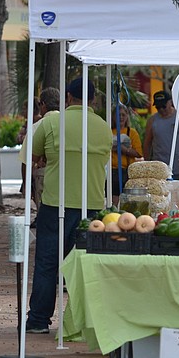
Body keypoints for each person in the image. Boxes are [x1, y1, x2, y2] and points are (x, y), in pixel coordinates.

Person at [25, 79, 112, 335]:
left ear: (68, 97)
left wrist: (45, 160)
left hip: (55, 202)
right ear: (93, 100)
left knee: (47, 263)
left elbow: (33, 154)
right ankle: (85, 320)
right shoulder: (104, 127)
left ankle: (39, 319)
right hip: (93, 205)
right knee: (87, 266)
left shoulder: (52, 122)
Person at [143, 89, 179, 180]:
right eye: (158, 107)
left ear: (170, 102)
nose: (161, 109)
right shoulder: (152, 120)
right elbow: (147, 144)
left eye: (164, 106)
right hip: (160, 169)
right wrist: (148, 164)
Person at [110, 103, 143, 203]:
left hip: (127, 171)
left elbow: (138, 153)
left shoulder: (132, 132)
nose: (121, 117)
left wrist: (125, 150)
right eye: (118, 115)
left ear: (127, 116)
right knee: (113, 199)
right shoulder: (109, 131)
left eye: (123, 115)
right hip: (111, 171)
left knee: (127, 200)